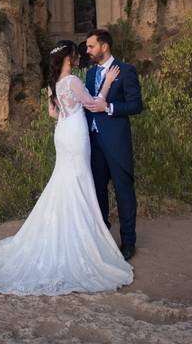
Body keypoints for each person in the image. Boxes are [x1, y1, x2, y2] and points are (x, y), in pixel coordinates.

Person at [0, 40, 134, 295]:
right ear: (68, 57)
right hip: (75, 133)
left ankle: (68, 230)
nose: (78, 57)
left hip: (62, 131)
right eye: (75, 54)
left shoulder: (54, 83)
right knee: (77, 180)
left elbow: (53, 114)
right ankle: (82, 241)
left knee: (64, 180)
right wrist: (107, 84)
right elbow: (93, 103)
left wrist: (68, 112)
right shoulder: (72, 81)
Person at [82, 28, 143, 261]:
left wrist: (108, 108)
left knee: (123, 191)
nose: (88, 51)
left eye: (91, 46)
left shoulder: (126, 71)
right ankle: (103, 239)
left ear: (104, 46)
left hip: (117, 143)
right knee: (97, 192)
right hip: (93, 142)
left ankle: (128, 243)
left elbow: (136, 105)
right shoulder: (89, 74)